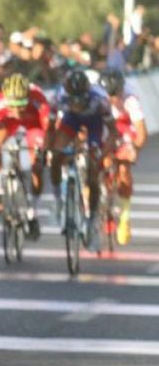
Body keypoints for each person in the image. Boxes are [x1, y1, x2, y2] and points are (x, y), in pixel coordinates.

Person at [47, 69, 117, 251]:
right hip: (71, 121)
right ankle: (57, 200)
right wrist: (47, 150)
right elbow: (50, 128)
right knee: (56, 156)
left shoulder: (100, 100)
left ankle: (92, 219)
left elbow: (113, 132)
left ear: (87, 93)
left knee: (93, 174)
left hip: (94, 124)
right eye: (73, 100)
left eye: (80, 100)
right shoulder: (58, 97)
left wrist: (101, 154)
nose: (77, 104)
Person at [0, 73, 49, 239]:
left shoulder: (38, 99)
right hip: (9, 122)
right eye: (12, 105)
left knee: (37, 165)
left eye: (21, 104)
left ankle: (32, 212)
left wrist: (45, 151)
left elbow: (48, 129)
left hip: (33, 123)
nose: (16, 110)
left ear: (27, 97)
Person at [99, 69, 147, 245]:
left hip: (124, 127)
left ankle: (125, 217)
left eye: (116, 94)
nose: (113, 99)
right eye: (109, 95)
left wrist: (134, 148)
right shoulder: (98, 98)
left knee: (124, 170)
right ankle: (103, 201)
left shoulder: (130, 99)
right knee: (103, 162)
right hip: (106, 128)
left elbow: (141, 132)